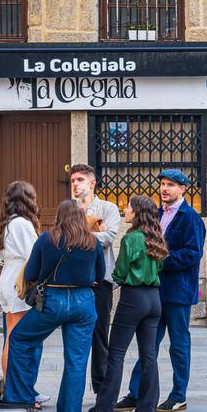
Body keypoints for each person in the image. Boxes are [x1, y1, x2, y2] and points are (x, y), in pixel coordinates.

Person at [0, 200, 105, 412]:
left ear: (59, 216)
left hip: (52, 300)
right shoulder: (92, 242)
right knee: (76, 361)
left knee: (20, 338)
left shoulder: (47, 239)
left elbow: (33, 272)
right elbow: (100, 274)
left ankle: (19, 396)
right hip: (84, 302)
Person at [116, 169, 206, 412]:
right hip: (155, 291)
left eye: (171, 185)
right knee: (149, 344)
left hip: (178, 292)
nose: (165, 189)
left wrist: (159, 260)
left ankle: (179, 395)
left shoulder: (191, 218)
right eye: (163, 184)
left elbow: (192, 253)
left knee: (178, 344)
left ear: (183, 189)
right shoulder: (156, 214)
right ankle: (135, 394)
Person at [88, 196, 166, 412]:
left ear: (138, 212)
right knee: (149, 355)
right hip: (154, 299)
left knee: (116, 354)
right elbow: (160, 265)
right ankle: (147, 410)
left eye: (129, 207)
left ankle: (103, 411)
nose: (125, 209)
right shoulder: (156, 237)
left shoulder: (131, 238)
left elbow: (119, 273)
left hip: (133, 298)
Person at [69, 164, 122, 396]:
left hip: (100, 281)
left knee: (100, 334)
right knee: (74, 337)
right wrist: (92, 231)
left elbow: (109, 237)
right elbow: (62, 239)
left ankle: (102, 389)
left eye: (79, 180)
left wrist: (79, 235)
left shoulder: (108, 208)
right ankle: (74, 390)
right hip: (73, 281)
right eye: (72, 180)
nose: (75, 184)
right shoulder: (69, 210)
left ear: (92, 183)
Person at [0, 181, 43, 396]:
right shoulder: (22, 224)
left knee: (11, 336)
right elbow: (34, 255)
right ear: (27, 199)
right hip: (19, 283)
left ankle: (10, 386)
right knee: (19, 339)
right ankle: (18, 390)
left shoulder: (4, 223)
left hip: (7, 279)